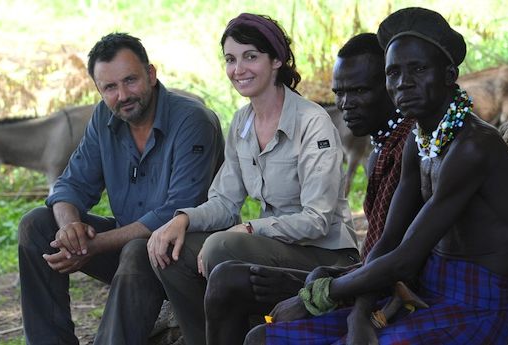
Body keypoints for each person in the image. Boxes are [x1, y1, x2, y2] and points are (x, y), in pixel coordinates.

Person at [244, 7, 508, 345]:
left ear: (449, 74)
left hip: (474, 307)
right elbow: (388, 241)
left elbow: (404, 259)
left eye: (418, 69)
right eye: (393, 72)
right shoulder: (420, 142)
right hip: (423, 294)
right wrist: (360, 314)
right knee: (262, 338)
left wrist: (315, 297)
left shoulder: (473, 148)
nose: (403, 83)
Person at [147, 13, 359, 345]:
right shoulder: (242, 123)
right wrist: (183, 219)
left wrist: (249, 228)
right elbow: (225, 202)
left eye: (250, 56)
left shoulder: (312, 122)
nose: (238, 69)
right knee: (170, 249)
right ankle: (203, 338)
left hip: (325, 255)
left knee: (223, 245)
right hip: (272, 247)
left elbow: (317, 220)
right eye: (230, 59)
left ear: (276, 60)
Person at [203, 32, 416, 345]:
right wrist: (182, 220)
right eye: (339, 93)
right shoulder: (382, 151)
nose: (345, 105)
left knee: (252, 321)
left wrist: (316, 291)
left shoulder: (412, 148)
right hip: (351, 275)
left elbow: (399, 262)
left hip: (380, 284)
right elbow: (378, 253)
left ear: (392, 85)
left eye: (358, 91)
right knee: (224, 277)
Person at [17, 32, 224, 345]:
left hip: (186, 260)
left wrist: (94, 245)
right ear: (99, 90)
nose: (123, 95)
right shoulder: (105, 117)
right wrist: (70, 228)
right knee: (36, 225)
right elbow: (70, 185)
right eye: (110, 87)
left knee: (137, 249)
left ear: (151, 74)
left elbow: (177, 211)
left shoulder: (193, 120)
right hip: (132, 253)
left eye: (130, 80)